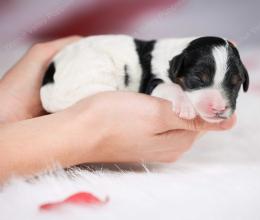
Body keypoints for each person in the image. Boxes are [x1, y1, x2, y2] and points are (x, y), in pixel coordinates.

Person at [0, 36, 236, 182]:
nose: (218, 103)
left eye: (233, 84)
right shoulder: (159, 63)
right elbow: (157, 86)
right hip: (80, 70)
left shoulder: (178, 60)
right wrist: (87, 132)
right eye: (199, 79)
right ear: (177, 68)